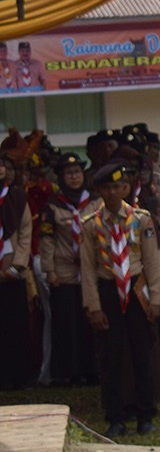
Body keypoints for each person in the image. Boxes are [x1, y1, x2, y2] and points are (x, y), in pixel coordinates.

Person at [79, 162, 160, 436]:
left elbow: (153, 260)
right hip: (108, 288)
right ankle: (115, 416)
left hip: (136, 285)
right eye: (107, 187)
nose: (113, 192)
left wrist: (157, 297)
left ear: (125, 188)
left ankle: (146, 413)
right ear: (99, 191)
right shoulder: (91, 225)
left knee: (143, 351)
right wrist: (93, 306)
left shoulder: (142, 220)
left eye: (118, 186)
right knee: (110, 355)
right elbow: (88, 268)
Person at [39, 152, 97, 387]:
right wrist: (49, 269)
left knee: (90, 320)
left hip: (91, 269)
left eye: (77, 172)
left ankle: (92, 369)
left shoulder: (95, 202)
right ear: (61, 177)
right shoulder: (53, 205)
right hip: (64, 270)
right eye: (68, 174)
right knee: (67, 321)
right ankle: (68, 372)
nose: (74, 177)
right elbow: (47, 240)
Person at [0, 150, 34, 390]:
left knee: (15, 325)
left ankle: (19, 376)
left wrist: (17, 265)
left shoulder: (16, 196)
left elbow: (25, 232)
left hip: (12, 268)